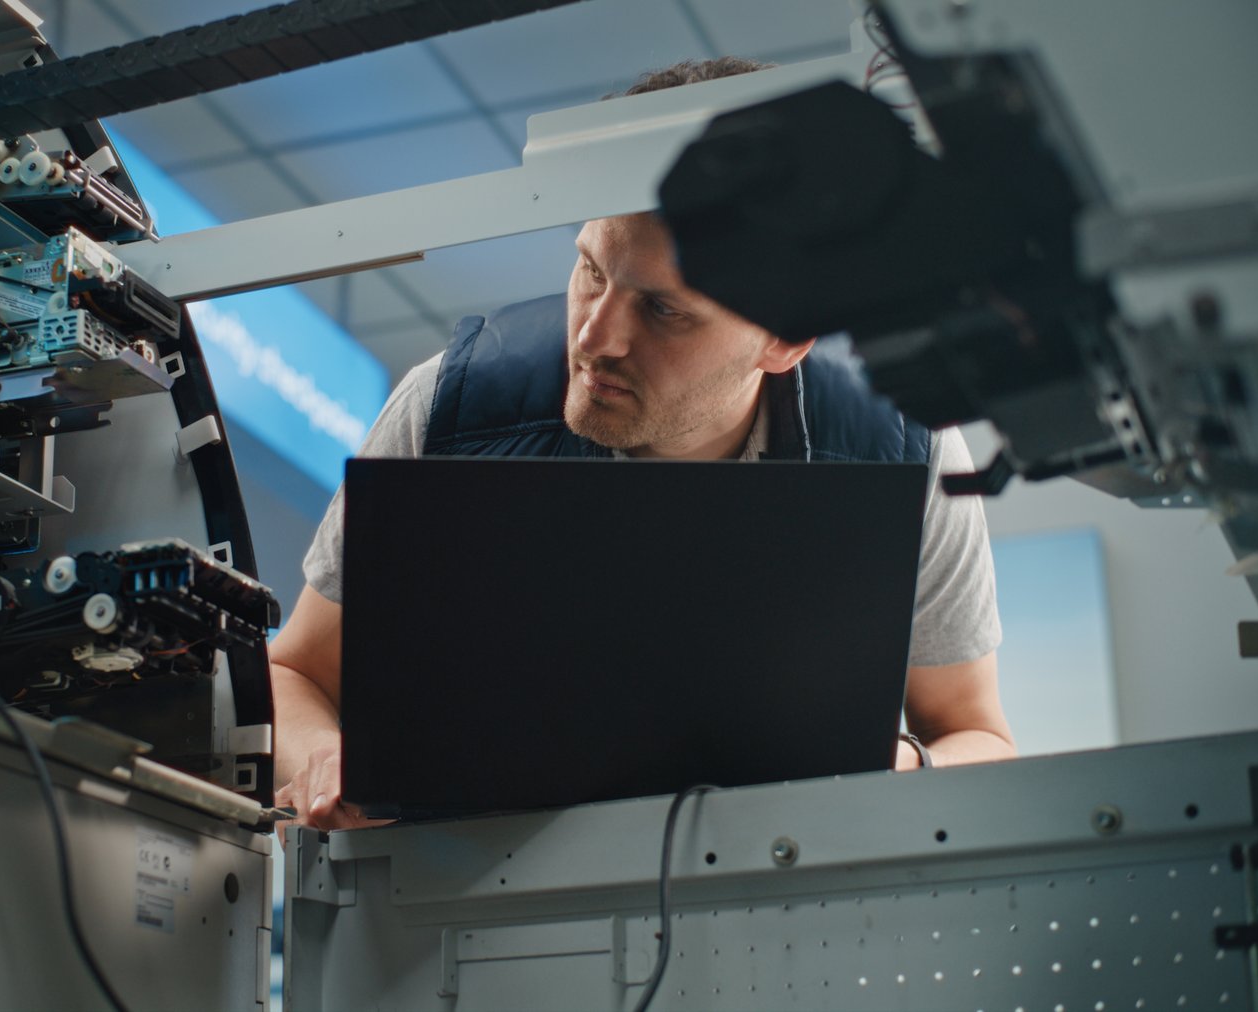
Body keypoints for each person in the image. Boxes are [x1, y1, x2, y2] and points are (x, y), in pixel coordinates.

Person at [271, 57, 1016, 832]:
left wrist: (900, 766)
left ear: (784, 341)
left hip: (775, 923)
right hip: (460, 925)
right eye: (591, 270)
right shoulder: (448, 407)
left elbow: (978, 735)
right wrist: (322, 753)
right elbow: (293, 671)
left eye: (663, 311)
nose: (594, 338)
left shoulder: (902, 451)